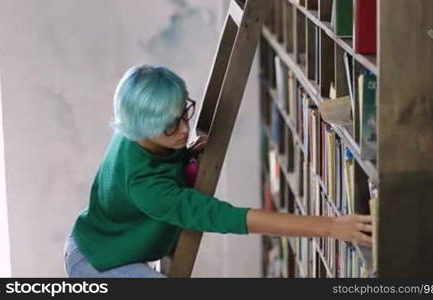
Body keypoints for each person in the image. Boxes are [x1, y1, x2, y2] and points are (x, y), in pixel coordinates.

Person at [63, 65, 372, 278]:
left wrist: (183, 154)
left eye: (183, 112)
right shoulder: (146, 186)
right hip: (96, 262)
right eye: (170, 126)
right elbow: (228, 217)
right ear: (142, 128)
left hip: (107, 240)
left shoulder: (136, 129)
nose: (184, 129)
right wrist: (330, 227)